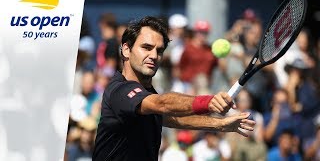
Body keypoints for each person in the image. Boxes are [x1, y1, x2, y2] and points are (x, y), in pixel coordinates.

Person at [92, 16, 255, 161]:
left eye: (159, 50)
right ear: (126, 50)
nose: (154, 56)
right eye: (146, 47)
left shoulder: (147, 95)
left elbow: (170, 118)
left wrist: (219, 124)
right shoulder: (119, 90)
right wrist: (209, 102)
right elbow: (162, 104)